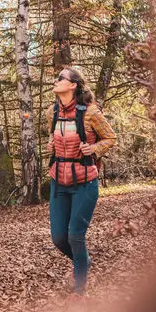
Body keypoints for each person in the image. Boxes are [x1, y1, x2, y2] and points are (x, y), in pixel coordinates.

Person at [46, 66, 116, 295]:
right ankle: (83, 262)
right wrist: (50, 145)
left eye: (60, 78)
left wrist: (93, 148)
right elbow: (53, 136)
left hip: (85, 183)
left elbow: (110, 137)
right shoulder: (52, 111)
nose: (55, 81)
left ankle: (80, 289)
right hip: (59, 183)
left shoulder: (91, 113)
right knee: (58, 238)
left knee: (75, 235)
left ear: (73, 85)